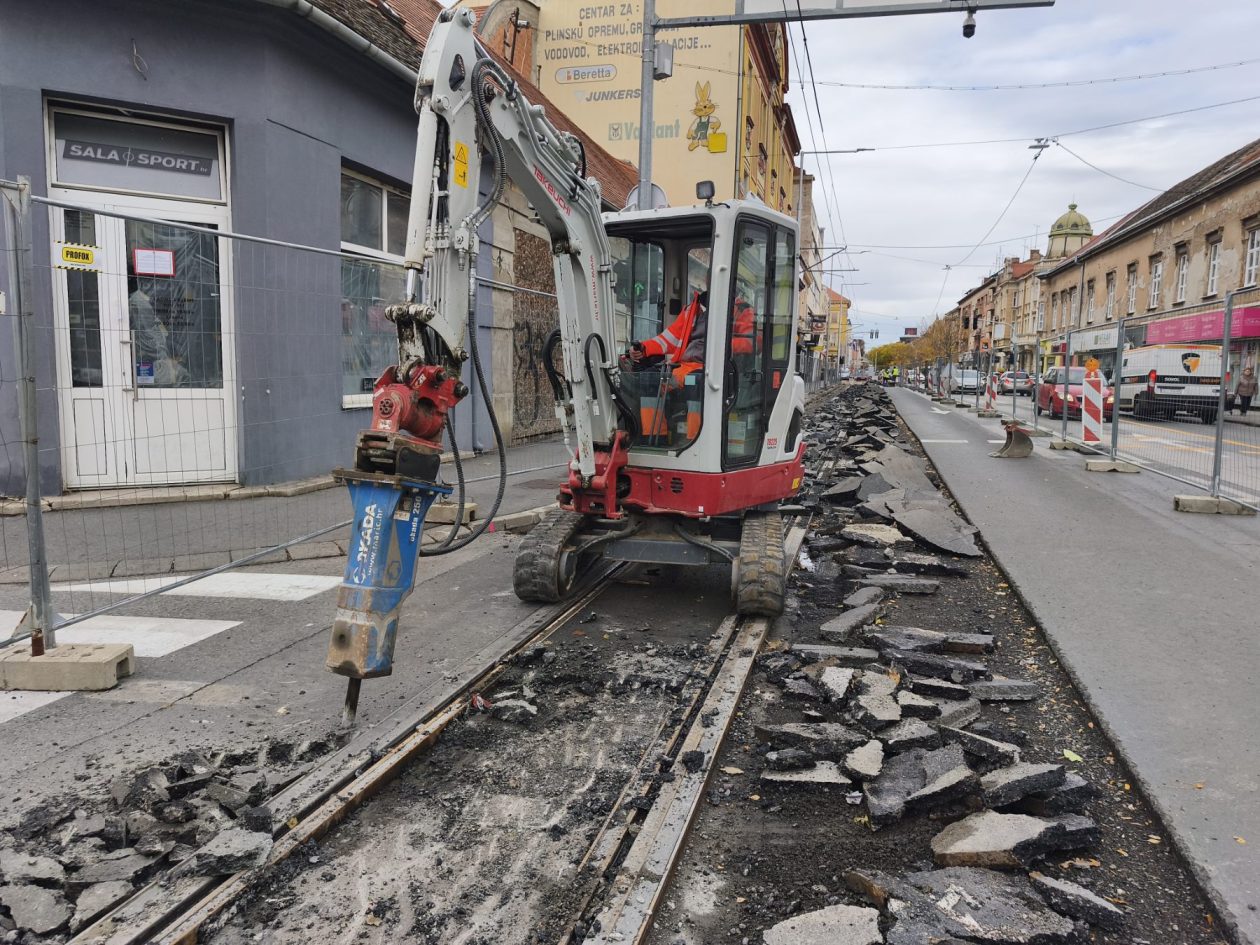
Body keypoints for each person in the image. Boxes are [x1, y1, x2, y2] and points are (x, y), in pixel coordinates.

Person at [630, 289, 756, 388]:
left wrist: (718, 345)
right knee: (648, 380)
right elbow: (669, 339)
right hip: (683, 368)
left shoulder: (742, 311)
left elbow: (753, 343)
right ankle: (651, 422)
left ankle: (702, 422)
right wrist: (643, 348)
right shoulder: (692, 311)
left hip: (712, 370)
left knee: (695, 383)